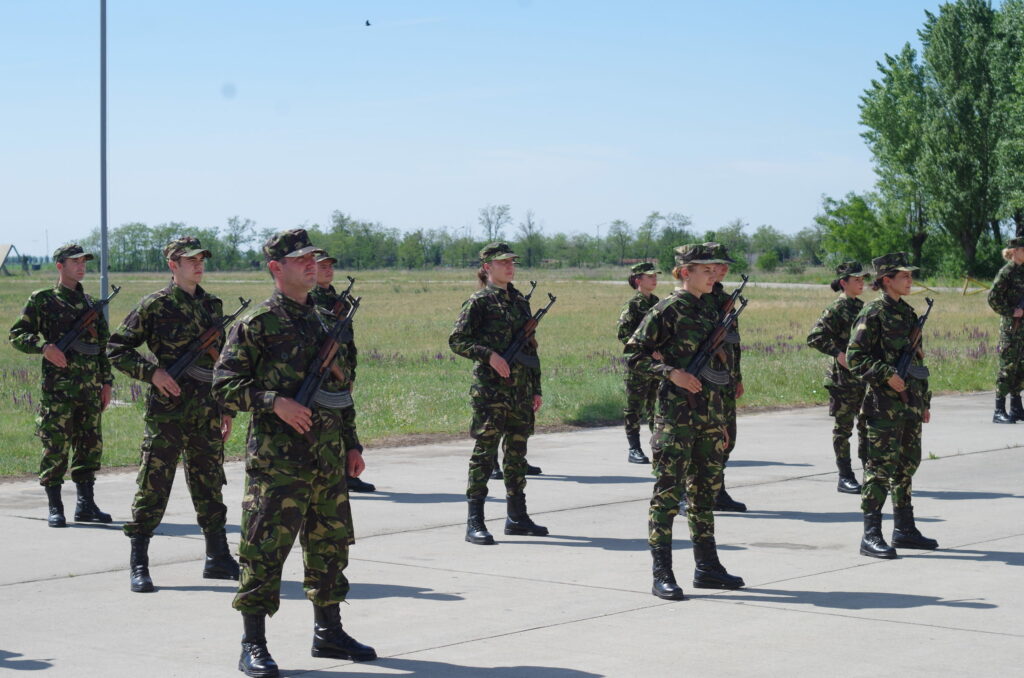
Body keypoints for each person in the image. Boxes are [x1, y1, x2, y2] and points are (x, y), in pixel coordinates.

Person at [214, 229, 376, 677]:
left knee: (330, 544)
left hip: (327, 455)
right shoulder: (258, 322)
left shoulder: (326, 321)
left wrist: (352, 443)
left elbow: (340, 389)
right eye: (299, 258)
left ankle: (329, 633)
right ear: (276, 268)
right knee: (265, 549)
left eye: (312, 257)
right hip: (279, 461)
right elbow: (223, 383)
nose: (310, 264)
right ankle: (253, 643)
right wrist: (274, 402)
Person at [107, 237, 239, 593]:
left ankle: (218, 557)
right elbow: (117, 349)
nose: (198, 265)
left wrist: (226, 407)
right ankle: (139, 562)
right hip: (168, 413)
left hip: (207, 411)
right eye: (190, 260)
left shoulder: (213, 305)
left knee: (209, 483)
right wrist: (153, 373)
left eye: (201, 259)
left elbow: (222, 362)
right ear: (173, 265)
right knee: (154, 485)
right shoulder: (155, 305)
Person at [625, 244, 745, 600]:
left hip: (709, 418)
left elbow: (721, 368)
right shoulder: (667, 310)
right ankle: (662, 571)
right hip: (675, 419)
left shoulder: (711, 310)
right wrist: (671, 373)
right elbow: (634, 353)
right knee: (667, 496)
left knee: (704, 495)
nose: (713, 275)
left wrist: (722, 420)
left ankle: (707, 566)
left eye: (714, 270)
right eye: (705, 270)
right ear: (684, 272)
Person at [449, 242, 548, 546]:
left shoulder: (519, 301)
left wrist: (536, 387)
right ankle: (474, 521)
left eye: (512, 262)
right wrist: (489, 355)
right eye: (503, 263)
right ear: (488, 268)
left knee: (517, 455)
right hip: (491, 392)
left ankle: (517, 517)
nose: (510, 267)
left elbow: (531, 346)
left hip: (520, 391)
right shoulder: (478, 302)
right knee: (485, 454)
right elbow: (457, 340)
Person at [8, 244, 113, 528]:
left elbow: (102, 347)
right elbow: (17, 334)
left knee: (90, 446)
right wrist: (44, 348)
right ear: (60, 265)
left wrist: (107, 382)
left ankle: (86, 505)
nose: (81, 267)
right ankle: (55, 506)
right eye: (75, 262)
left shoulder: (91, 304)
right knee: (55, 447)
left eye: (84, 262)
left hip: (90, 390)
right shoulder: (43, 300)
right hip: (59, 391)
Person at [847, 252, 938, 559]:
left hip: (909, 403)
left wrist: (923, 400)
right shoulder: (873, 314)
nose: (910, 280)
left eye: (910, 276)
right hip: (882, 406)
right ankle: (870, 534)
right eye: (904, 276)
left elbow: (917, 360)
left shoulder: (909, 314)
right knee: (880, 469)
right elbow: (856, 358)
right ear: (887, 281)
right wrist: (887, 375)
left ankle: (905, 528)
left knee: (907, 466)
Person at [310, 252, 376, 493]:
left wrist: (350, 375)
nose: (328, 270)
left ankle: (350, 472)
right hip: (320, 375)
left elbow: (349, 343)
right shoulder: (309, 301)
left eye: (330, 266)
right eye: (322, 266)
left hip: (341, 375)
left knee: (346, 421)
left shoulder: (341, 302)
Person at [806, 261, 872, 493]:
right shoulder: (837, 308)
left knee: (867, 427)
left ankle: (871, 472)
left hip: (864, 377)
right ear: (844, 283)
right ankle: (845, 476)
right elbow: (815, 337)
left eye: (863, 279)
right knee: (844, 429)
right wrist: (838, 353)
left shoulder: (861, 307)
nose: (861, 283)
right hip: (843, 380)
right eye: (857, 280)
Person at [704, 243, 747, 512]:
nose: (724, 268)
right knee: (701, 440)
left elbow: (732, 342)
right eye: (719, 263)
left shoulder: (724, 298)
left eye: (725, 264)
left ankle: (717, 490)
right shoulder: (696, 299)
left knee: (726, 438)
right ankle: (691, 493)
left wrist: (736, 376)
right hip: (700, 381)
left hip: (724, 379)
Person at [617, 262, 661, 465]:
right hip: (638, 363)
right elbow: (624, 334)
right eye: (649, 276)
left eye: (655, 276)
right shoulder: (633, 305)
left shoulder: (658, 302)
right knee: (634, 406)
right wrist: (647, 350)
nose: (654, 279)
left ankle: (658, 445)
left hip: (658, 363)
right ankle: (633, 448)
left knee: (656, 405)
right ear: (638, 280)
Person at [987, 237, 1024, 424]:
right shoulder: (1006, 272)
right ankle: (999, 410)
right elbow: (993, 298)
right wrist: (1011, 312)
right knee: (1007, 367)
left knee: (1020, 367)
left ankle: (1017, 408)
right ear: (1015, 251)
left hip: (1022, 328)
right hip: (1011, 328)